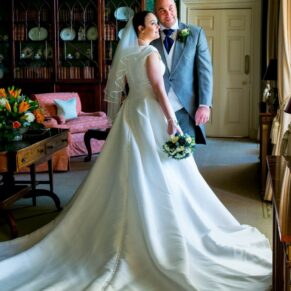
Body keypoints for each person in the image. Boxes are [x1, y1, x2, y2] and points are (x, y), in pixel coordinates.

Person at [0, 11, 271, 291]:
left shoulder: (129, 54)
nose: (159, 25)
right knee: (156, 167)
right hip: (149, 114)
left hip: (133, 114)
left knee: (132, 166)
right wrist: (171, 120)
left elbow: (128, 91)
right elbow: (158, 90)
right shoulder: (150, 55)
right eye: (153, 23)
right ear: (140, 28)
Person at [151, 0, 212, 144]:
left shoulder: (195, 33)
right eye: (162, 10)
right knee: (158, 156)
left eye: (171, 8)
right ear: (156, 13)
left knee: (185, 156)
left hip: (186, 108)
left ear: (176, 8)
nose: (168, 13)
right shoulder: (150, 38)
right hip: (156, 108)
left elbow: (205, 71)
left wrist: (204, 105)